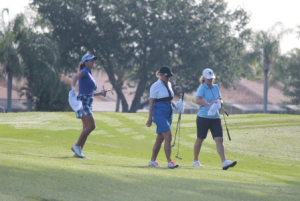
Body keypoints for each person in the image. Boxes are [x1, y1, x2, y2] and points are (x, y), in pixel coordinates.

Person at [193, 68, 237, 170]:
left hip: (215, 117)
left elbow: (219, 98)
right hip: (203, 117)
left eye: (211, 78)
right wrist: (209, 104)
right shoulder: (202, 88)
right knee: (200, 139)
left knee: (219, 139)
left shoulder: (216, 87)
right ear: (203, 78)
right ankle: (195, 161)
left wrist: (220, 103)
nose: (210, 80)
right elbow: (198, 100)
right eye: (208, 78)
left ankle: (224, 162)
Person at [70, 54, 107, 158]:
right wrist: (73, 88)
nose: (93, 62)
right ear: (85, 62)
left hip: (88, 102)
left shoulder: (89, 73)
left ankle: (78, 152)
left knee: (86, 127)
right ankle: (76, 146)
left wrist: (100, 94)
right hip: (83, 102)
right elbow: (75, 76)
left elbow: (89, 92)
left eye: (93, 60)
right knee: (92, 126)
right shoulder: (85, 71)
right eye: (90, 60)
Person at [146, 66, 179, 169]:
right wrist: (150, 118)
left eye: (169, 76)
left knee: (160, 138)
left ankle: (152, 161)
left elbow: (169, 98)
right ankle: (170, 162)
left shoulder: (169, 84)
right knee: (168, 136)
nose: (168, 78)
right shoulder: (155, 86)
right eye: (166, 76)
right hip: (159, 113)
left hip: (168, 113)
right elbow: (151, 102)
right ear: (160, 75)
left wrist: (176, 105)